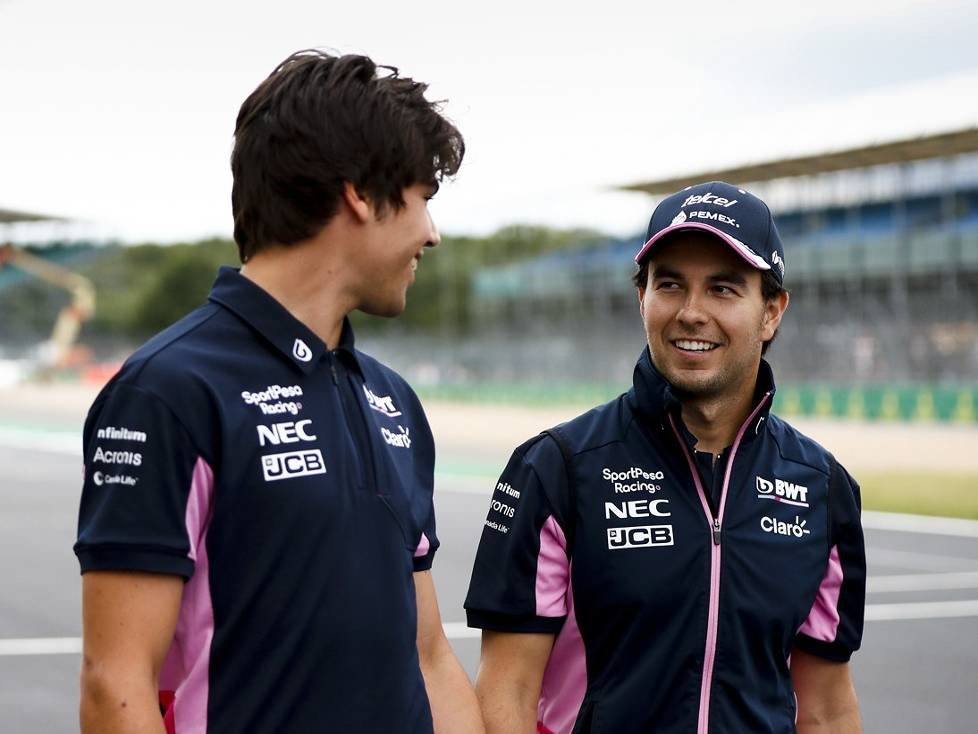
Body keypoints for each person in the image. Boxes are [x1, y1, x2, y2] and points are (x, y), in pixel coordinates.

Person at [75, 50, 484, 734]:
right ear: (360, 193)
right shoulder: (167, 392)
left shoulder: (394, 402)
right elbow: (115, 683)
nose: (431, 234)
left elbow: (430, 655)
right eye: (422, 200)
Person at [464, 181, 866, 733]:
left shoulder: (823, 489)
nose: (691, 313)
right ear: (642, 299)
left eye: (723, 289)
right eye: (670, 284)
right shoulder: (556, 468)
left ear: (771, 312)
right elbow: (505, 696)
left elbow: (826, 709)